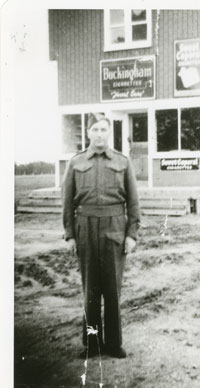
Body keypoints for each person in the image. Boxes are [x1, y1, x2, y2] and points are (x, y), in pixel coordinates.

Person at [61, 113, 140, 359]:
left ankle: (114, 344)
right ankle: (92, 344)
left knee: (112, 290)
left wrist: (132, 235)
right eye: (94, 129)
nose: (99, 134)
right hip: (84, 230)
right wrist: (70, 235)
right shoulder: (75, 163)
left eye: (103, 129)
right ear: (88, 133)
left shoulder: (123, 162)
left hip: (115, 229)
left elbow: (134, 203)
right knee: (91, 290)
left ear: (109, 132)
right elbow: (66, 204)